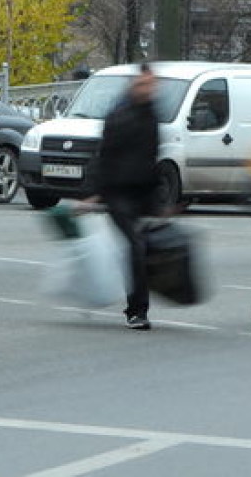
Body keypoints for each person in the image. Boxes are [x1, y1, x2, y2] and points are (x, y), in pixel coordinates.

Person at [86, 63, 161, 330]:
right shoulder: (120, 115)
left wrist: (159, 202)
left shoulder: (151, 114)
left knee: (138, 249)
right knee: (135, 245)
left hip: (139, 193)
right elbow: (104, 155)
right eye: (143, 85)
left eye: (151, 85)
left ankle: (118, 297)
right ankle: (137, 311)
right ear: (133, 86)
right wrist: (95, 193)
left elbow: (152, 158)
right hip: (117, 192)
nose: (148, 89)